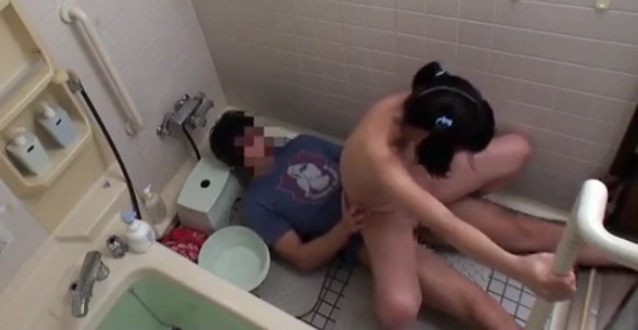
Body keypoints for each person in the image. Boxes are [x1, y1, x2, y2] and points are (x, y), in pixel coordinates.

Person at [209, 65, 612, 329]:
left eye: (253, 129)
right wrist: (345, 228)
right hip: (369, 230)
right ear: (237, 156)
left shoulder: (304, 143)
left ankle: (619, 251)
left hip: (405, 191)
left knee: (521, 227)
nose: (257, 137)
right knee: (471, 304)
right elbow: (301, 258)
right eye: (246, 139)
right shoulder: (259, 202)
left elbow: (382, 179)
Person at [340, 61, 574, 330]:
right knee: (399, 311)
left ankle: (618, 250)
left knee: (519, 149)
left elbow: (440, 215)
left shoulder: (426, 102)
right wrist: (519, 268)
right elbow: (444, 222)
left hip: (417, 182)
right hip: (383, 214)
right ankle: (381, 248)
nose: (460, 156)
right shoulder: (379, 156)